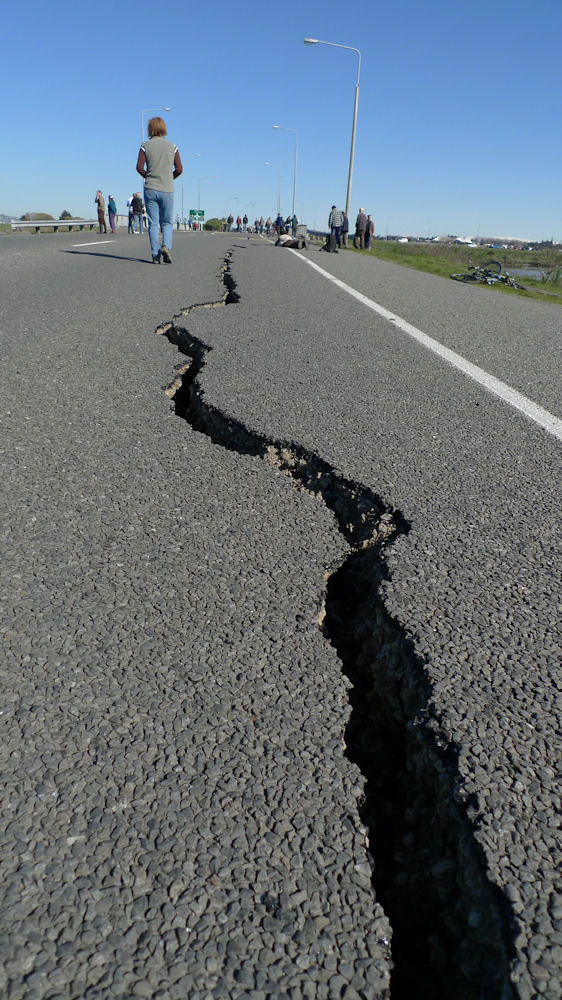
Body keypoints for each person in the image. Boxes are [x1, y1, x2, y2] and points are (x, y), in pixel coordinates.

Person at [136, 116, 183, 264]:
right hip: (167, 189)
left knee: (153, 223)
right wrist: (169, 177)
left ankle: (155, 255)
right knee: (167, 222)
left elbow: (139, 167)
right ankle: (166, 246)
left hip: (150, 188)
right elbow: (180, 169)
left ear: (151, 129)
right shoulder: (172, 147)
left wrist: (149, 176)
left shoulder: (145, 145)